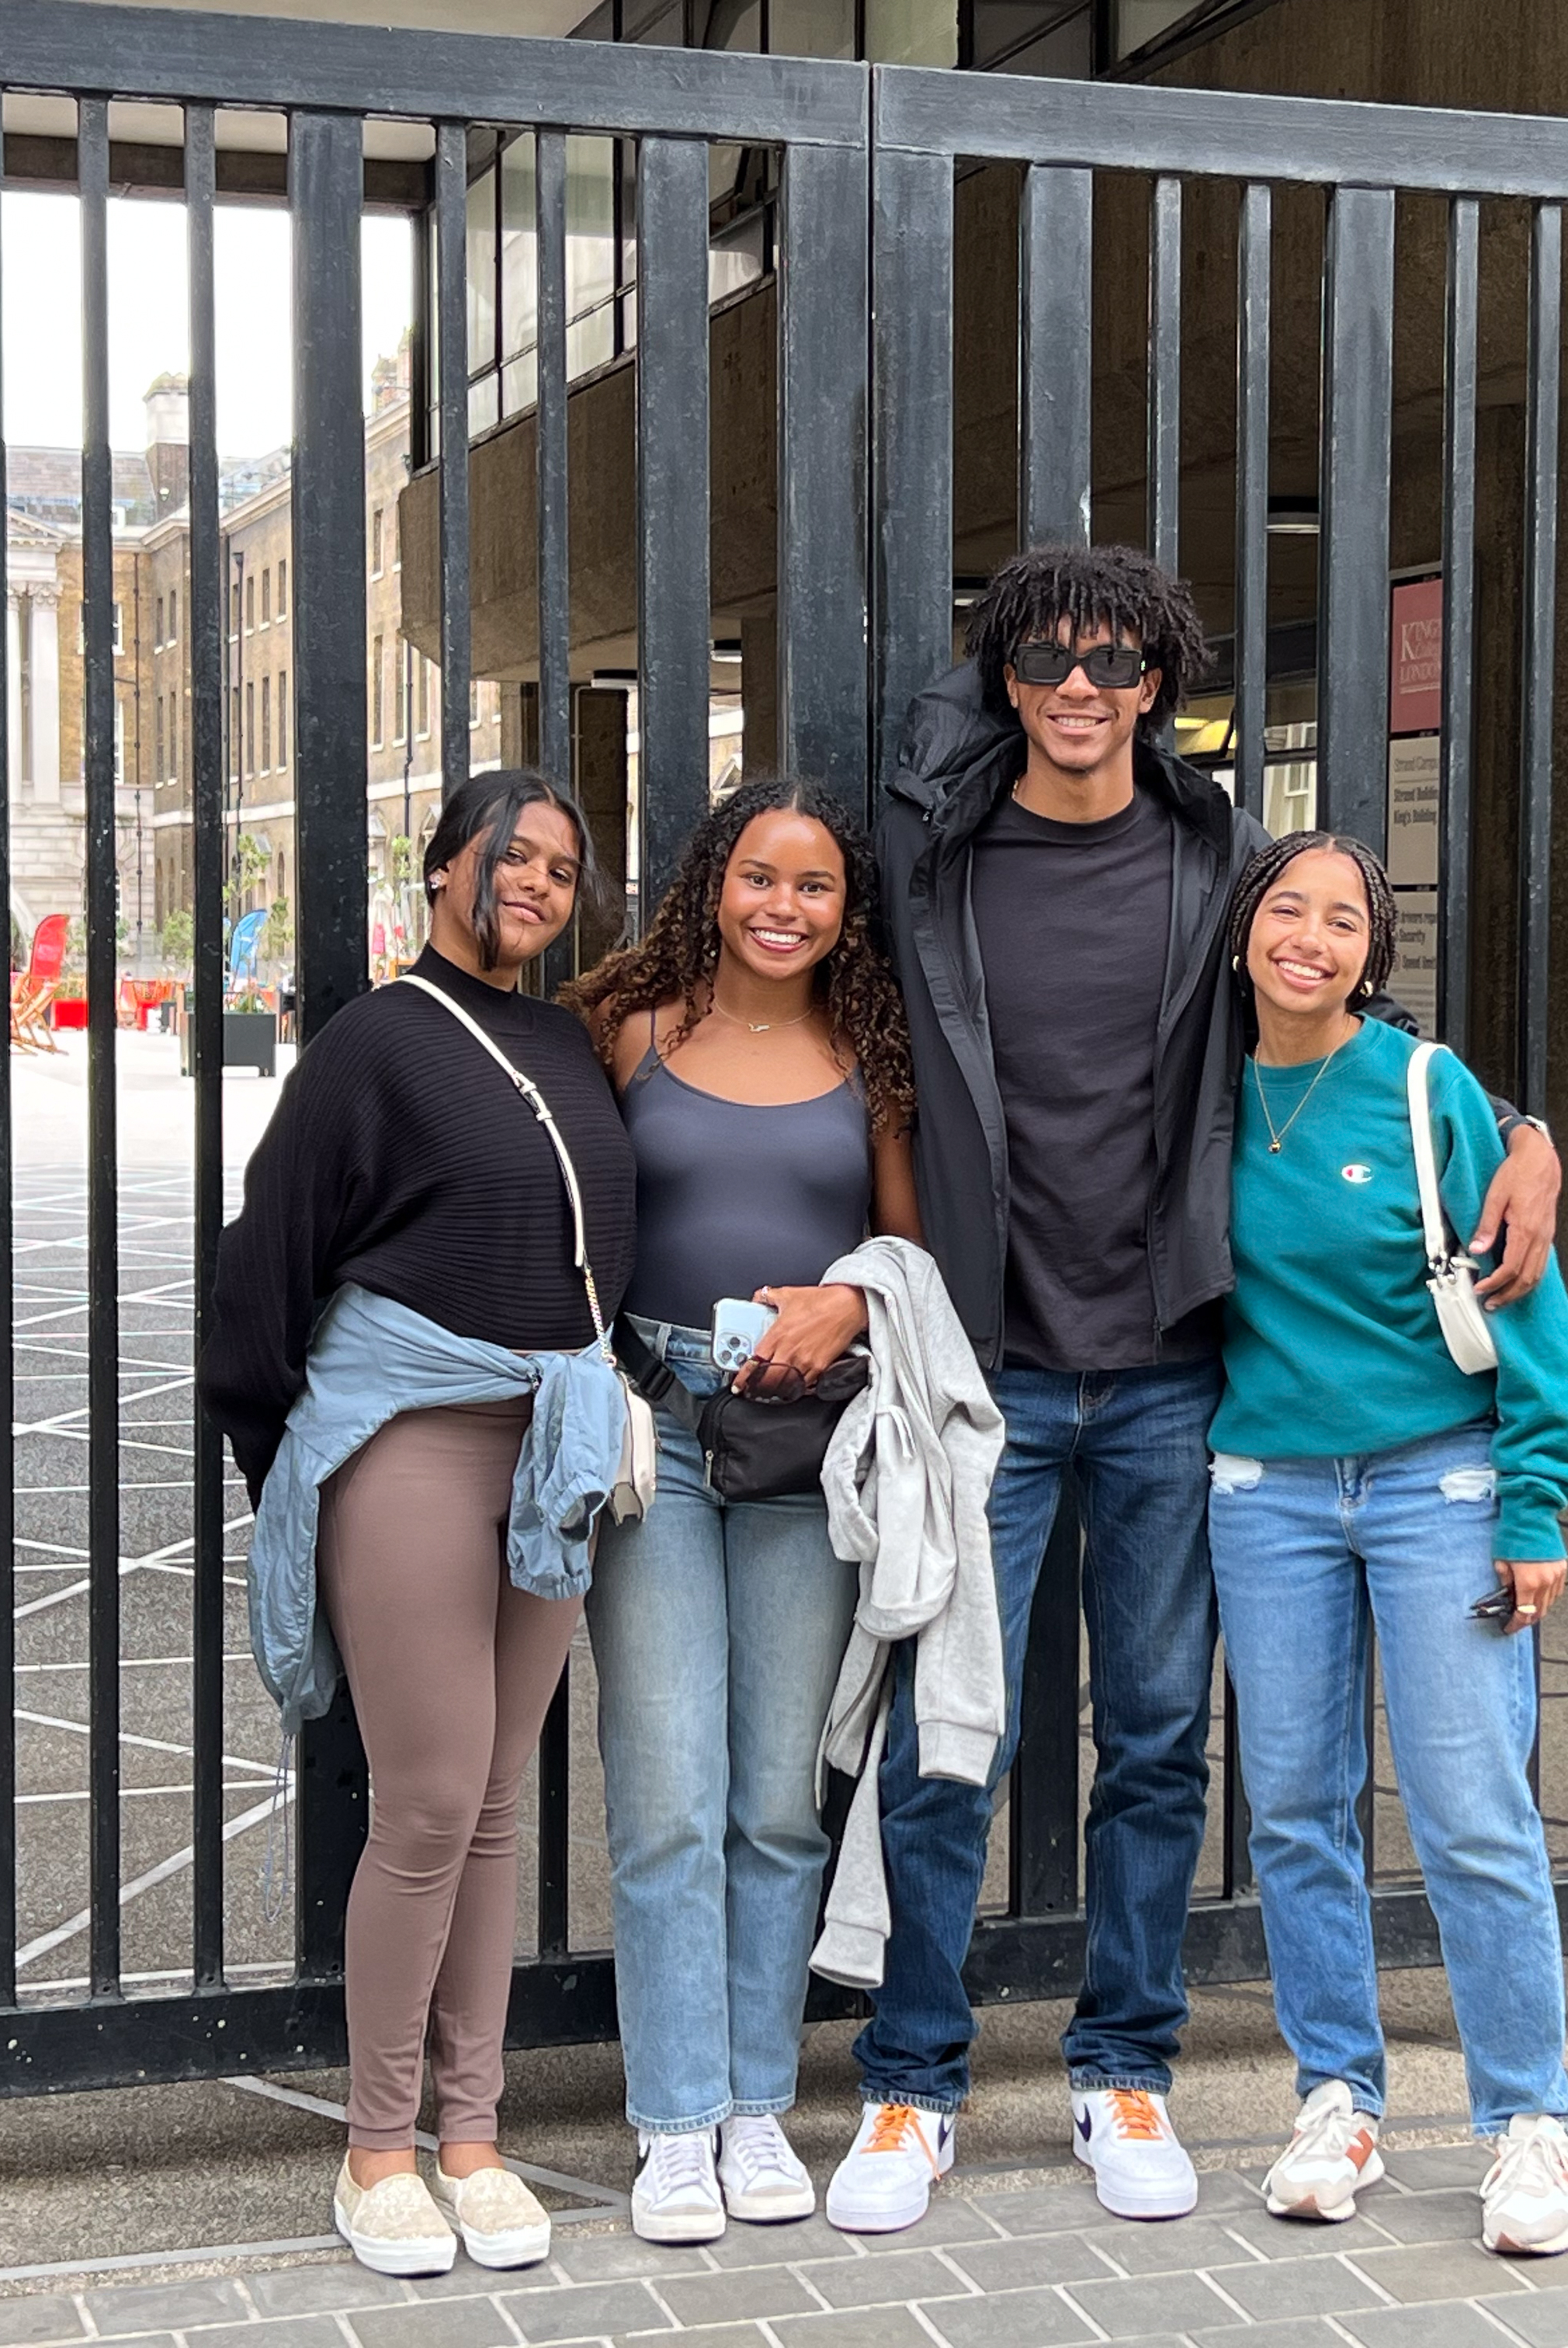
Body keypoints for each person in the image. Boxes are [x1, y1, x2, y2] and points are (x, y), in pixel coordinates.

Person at [829, 544, 1566, 2232]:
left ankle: (1124, 2070)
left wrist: (1523, 1132)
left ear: (1162, 686)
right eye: (1044, 660)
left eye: (1114, 663)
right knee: (954, 1738)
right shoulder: (926, 857)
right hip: (987, 1373)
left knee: (1159, 1744)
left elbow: (1346, 1012)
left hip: (1175, 1379)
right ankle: (912, 2083)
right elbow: (787, 966)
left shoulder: (1220, 859)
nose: (1079, 689)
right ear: (1001, 677)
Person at [205, 769, 630, 2281]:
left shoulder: (566, 1037)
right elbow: (265, 1260)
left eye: (563, 867)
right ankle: (376, 2150)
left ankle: (474, 2137)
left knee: (499, 1801)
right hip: (409, 1446)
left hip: (548, 1451)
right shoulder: (380, 1040)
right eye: (511, 855)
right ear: (446, 865)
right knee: (432, 1798)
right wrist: (298, 1469)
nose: (536, 882)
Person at [560, 779, 932, 2245]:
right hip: (657, 1437)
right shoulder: (628, 1025)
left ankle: (757, 2108)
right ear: (713, 880)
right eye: (760, 878)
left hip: (810, 1449)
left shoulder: (870, 1052)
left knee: (778, 1803)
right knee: (665, 1796)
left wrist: (848, 1297)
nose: (786, 908)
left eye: (818, 887)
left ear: (848, 910)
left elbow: (906, 1248)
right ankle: (670, 2125)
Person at [1208, 832, 1568, 2258]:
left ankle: (1529, 2123)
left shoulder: (1428, 1090)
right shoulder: (1197, 1088)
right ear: (1245, 928)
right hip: (1267, 1494)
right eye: (1286, 909)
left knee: (1472, 1814)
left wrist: (1535, 1496)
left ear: (1377, 953)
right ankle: (1337, 2100)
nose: (1310, 936)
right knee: (1297, 1812)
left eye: (1345, 919)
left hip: (1439, 1485)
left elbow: (1527, 1303)